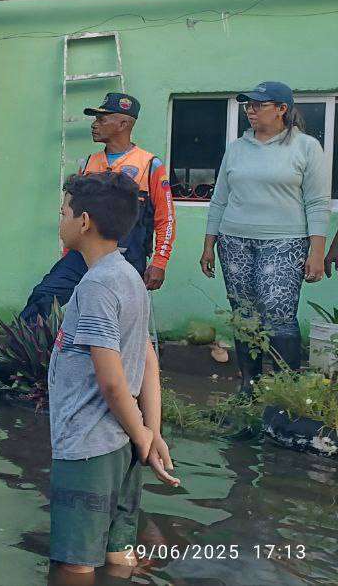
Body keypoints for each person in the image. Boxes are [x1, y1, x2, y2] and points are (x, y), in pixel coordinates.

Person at [48, 172, 179, 580]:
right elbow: (149, 360)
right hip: (121, 447)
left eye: (64, 211)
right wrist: (149, 432)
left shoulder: (97, 286)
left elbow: (110, 380)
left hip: (87, 446)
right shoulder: (129, 277)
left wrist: (143, 435)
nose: (61, 219)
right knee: (118, 555)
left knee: (75, 564)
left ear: (84, 221)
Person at [200, 81, 328, 390]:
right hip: (234, 242)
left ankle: (288, 393)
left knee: (279, 313)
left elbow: (317, 202)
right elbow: (219, 199)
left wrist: (317, 252)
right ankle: (251, 387)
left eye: (259, 105)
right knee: (244, 314)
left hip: (285, 243)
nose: (251, 110)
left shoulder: (306, 147)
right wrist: (208, 245)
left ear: (283, 109)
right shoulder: (236, 148)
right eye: (248, 105)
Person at [20, 92, 175, 324]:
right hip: (82, 256)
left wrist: (159, 263)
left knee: (115, 318)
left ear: (123, 124)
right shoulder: (88, 164)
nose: (94, 125)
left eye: (102, 119)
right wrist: (67, 253)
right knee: (44, 295)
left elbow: (166, 219)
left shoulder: (149, 165)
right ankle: (17, 357)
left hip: (127, 261)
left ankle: (116, 361)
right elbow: (73, 212)